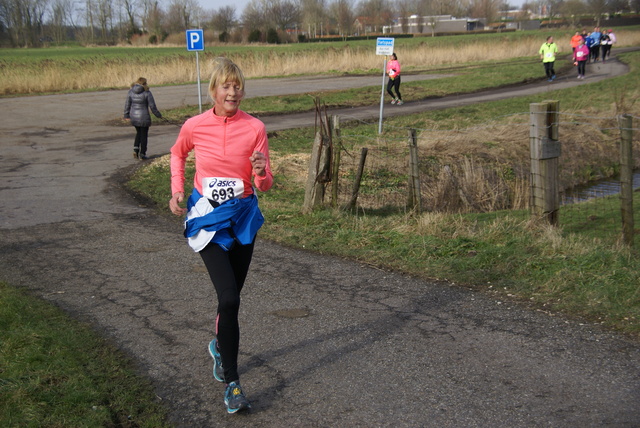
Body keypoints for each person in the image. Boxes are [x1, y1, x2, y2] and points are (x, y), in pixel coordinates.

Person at [169, 57, 273, 414]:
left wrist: (260, 172)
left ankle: (219, 344)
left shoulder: (255, 127)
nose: (233, 92)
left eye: (237, 85)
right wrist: (176, 190)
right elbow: (177, 153)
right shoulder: (195, 126)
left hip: (242, 218)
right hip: (208, 220)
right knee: (229, 299)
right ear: (213, 90)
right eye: (226, 86)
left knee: (231, 297)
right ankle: (232, 383)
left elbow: (266, 182)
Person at [123, 77, 162, 160]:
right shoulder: (147, 92)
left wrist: (126, 115)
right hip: (144, 117)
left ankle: (135, 149)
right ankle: (142, 153)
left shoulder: (130, 92)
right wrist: (158, 115)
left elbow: (127, 104)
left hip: (134, 116)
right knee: (144, 135)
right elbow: (152, 106)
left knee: (138, 133)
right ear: (145, 83)